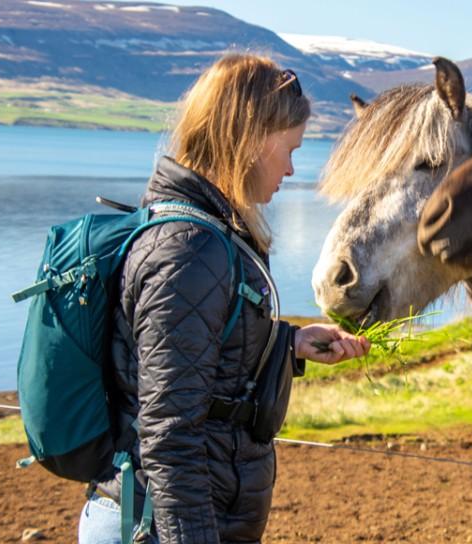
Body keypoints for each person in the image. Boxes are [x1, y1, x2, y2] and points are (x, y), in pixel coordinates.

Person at [77, 54, 370, 543]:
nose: (293, 169)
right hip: (155, 527)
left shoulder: (208, 235)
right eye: (290, 149)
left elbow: (201, 355)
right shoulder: (189, 251)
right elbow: (170, 435)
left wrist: (288, 343)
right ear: (251, 138)